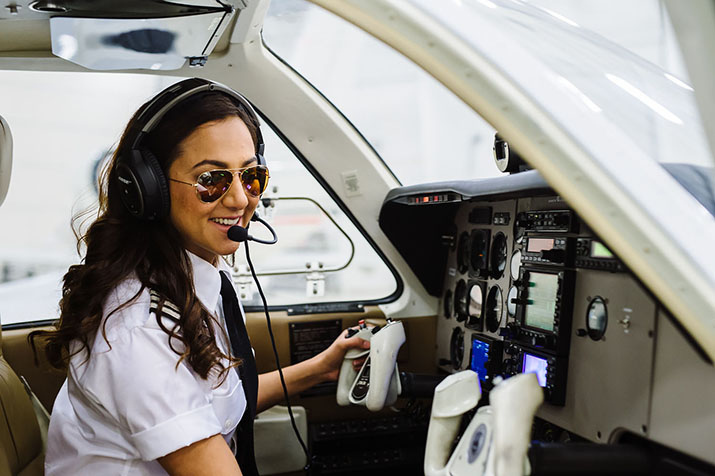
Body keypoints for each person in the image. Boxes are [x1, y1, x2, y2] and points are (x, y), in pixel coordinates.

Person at [33, 78, 369, 475]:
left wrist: (321, 368)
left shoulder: (198, 281)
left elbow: (210, 407)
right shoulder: (138, 328)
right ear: (149, 187)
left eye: (251, 175)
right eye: (212, 179)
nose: (240, 199)